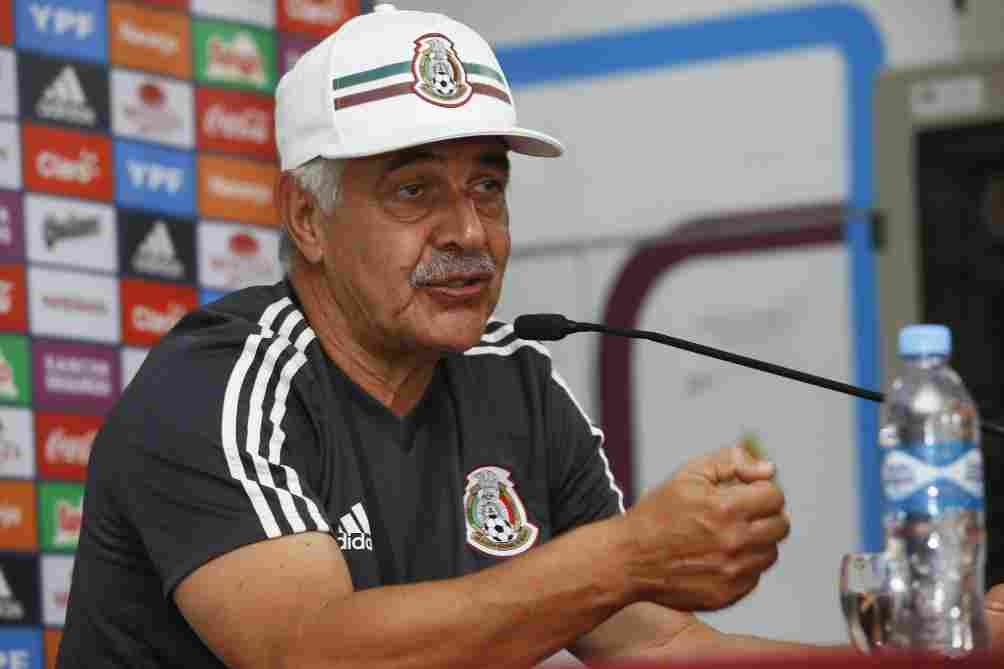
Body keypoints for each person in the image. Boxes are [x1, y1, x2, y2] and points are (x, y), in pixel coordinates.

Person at [58, 4, 1004, 668]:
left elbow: (663, 646)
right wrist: (629, 553)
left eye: (488, 185)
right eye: (414, 189)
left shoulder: (514, 384)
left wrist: (922, 660)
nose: (469, 231)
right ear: (308, 219)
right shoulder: (220, 386)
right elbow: (313, 651)